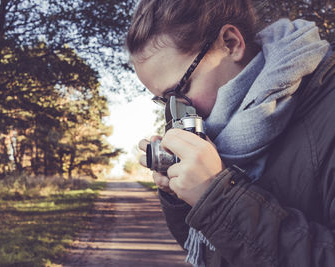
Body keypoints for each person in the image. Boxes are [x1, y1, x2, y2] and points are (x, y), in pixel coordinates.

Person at [125, 0, 335, 266]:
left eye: (180, 91)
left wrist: (218, 197)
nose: (175, 111)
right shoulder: (218, 134)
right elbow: (213, 253)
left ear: (231, 43)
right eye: (163, 101)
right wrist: (181, 194)